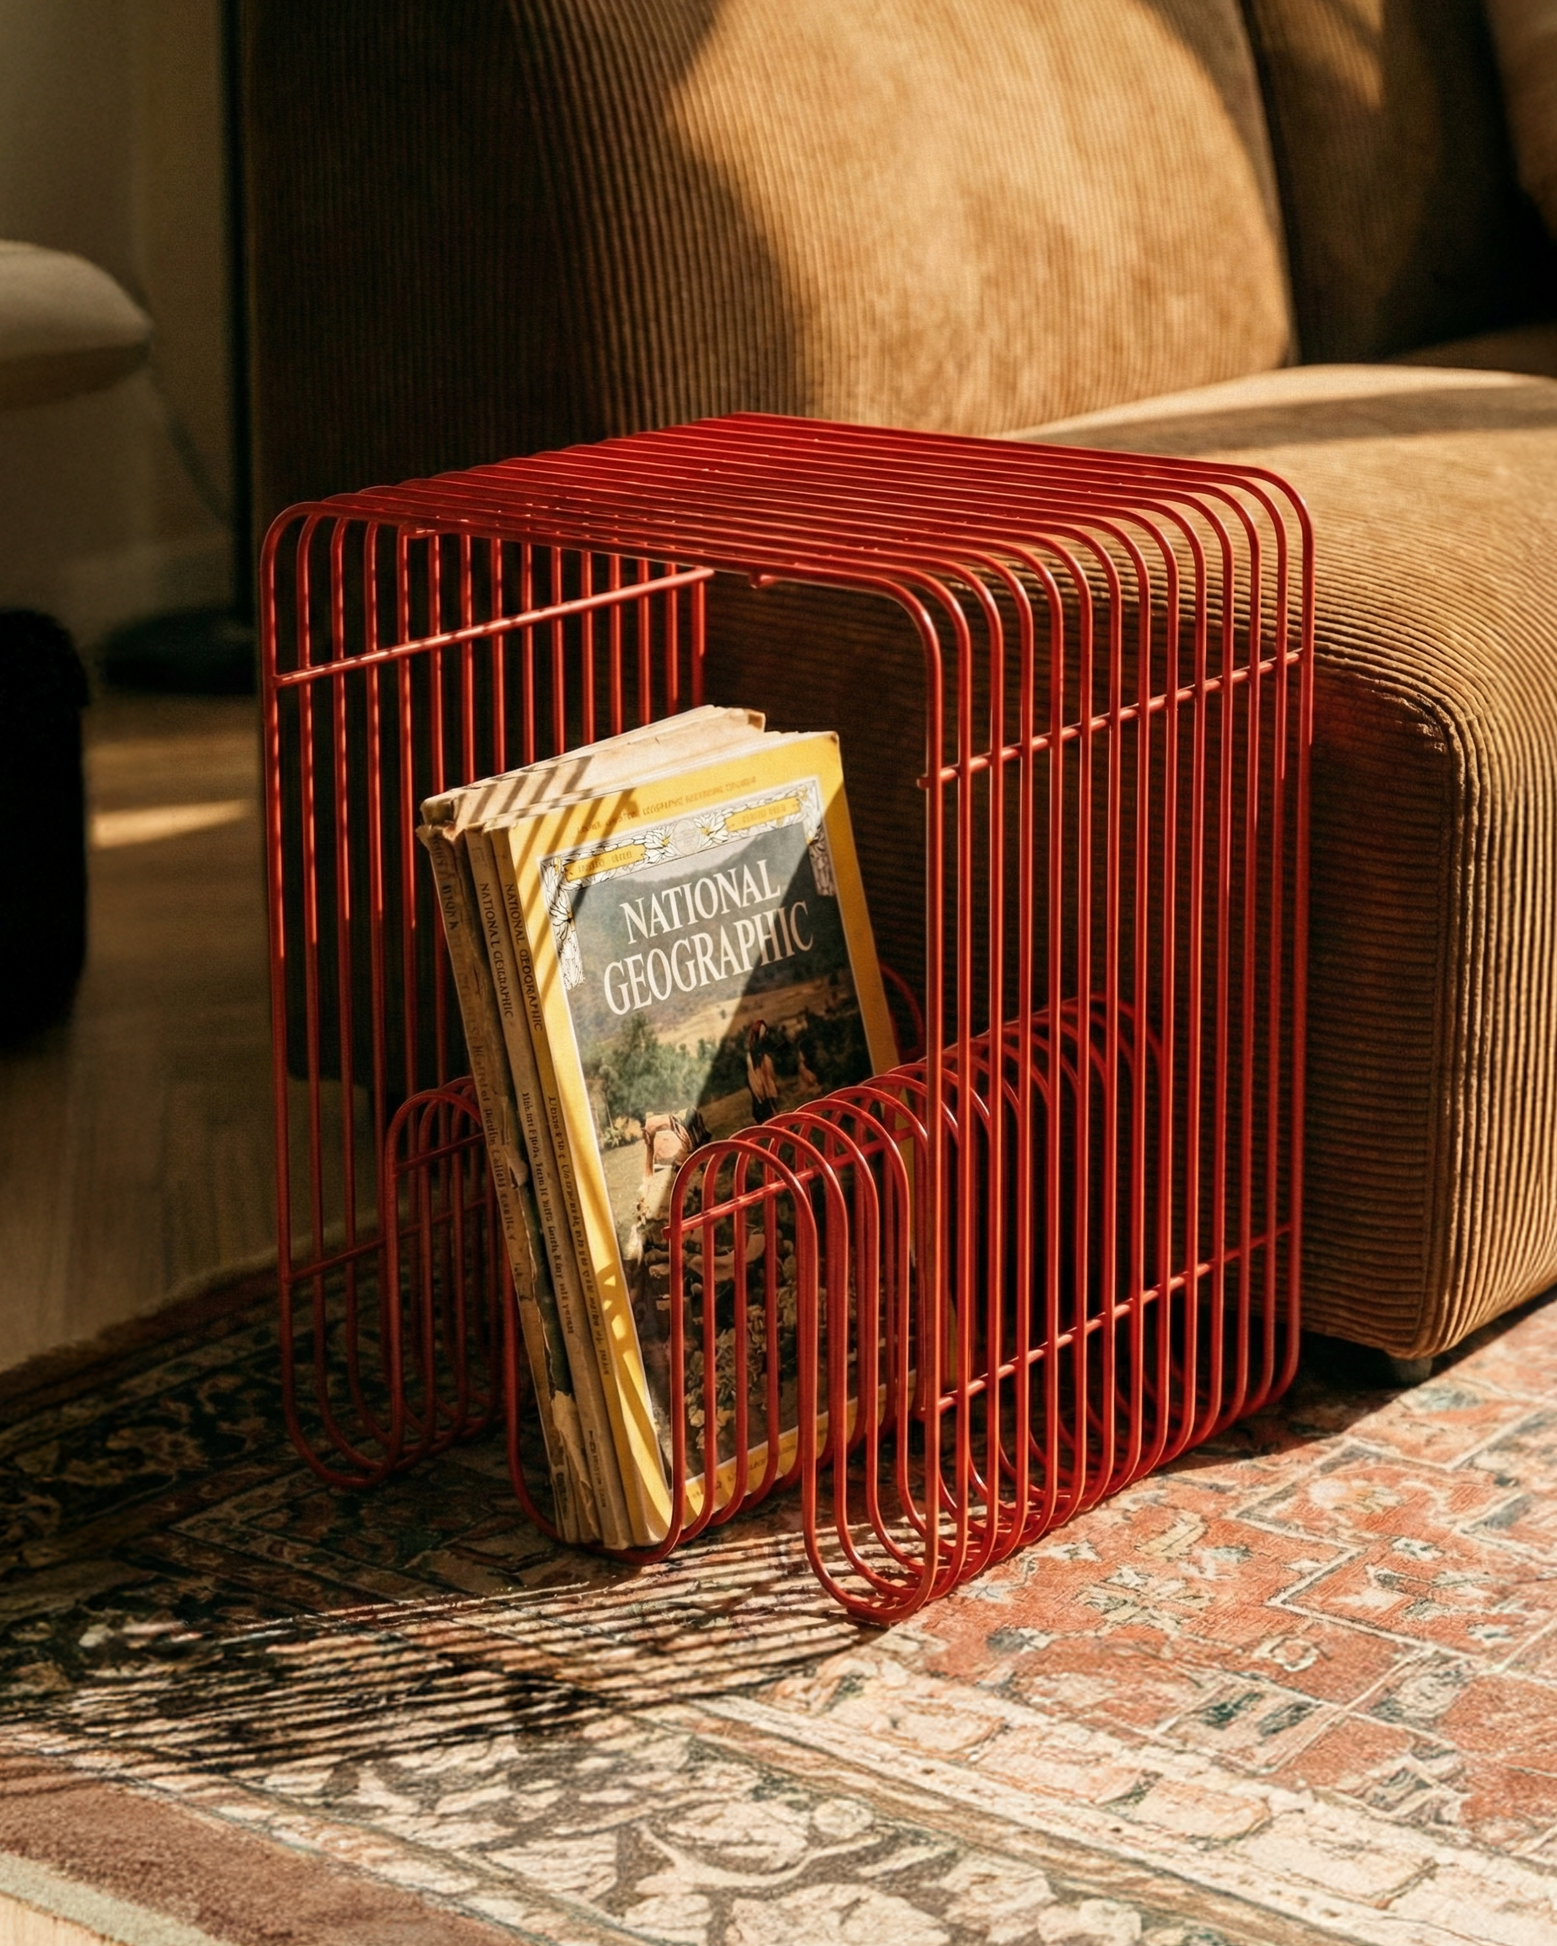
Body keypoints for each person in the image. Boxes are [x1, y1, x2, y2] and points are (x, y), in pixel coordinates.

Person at [746, 1020, 780, 1123]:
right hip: (759, 1077)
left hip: (764, 1076)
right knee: (765, 1102)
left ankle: (775, 1118)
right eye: (764, 1032)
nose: (766, 1034)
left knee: (769, 1101)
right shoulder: (755, 1049)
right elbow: (756, 1069)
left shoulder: (759, 1047)